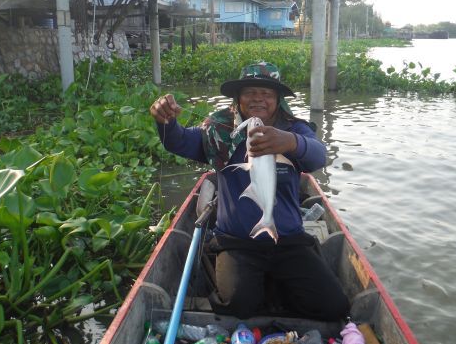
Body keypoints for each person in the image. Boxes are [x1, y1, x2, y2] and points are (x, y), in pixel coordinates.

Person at [149, 62, 350, 321]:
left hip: (287, 239)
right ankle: (256, 285)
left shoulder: (294, 129)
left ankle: (273, 286)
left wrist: (291, 143)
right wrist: (166, 121)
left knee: (334, 307)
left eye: (267, 93)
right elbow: (177, 141)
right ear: (238, 98)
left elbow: (318, 156)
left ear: (278, 100)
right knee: (238, 305)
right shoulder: (219, 131)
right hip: (237, 242)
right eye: (250, 92)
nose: (258, 98)